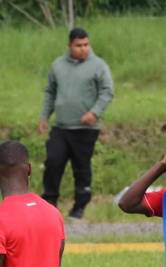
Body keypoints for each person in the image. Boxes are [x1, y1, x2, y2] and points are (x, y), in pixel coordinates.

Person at [38, 27, 114, 219]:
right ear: (70, 46)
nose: (83, 49)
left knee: (81, 167)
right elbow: (50, 92)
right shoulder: (58, 65)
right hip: (61, 127)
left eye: (86, 44)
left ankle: (79, 206)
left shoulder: (98, 66)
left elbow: (107, 91)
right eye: (79, 45)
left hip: (85, 129)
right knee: (53, 162)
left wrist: (94, 113)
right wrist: (44, 116)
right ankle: (49, 203)